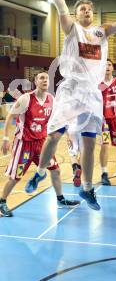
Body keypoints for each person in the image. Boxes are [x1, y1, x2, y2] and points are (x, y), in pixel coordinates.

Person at [25, 0, 116, 211]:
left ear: (94, 13)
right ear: (76, 14)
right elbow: (58, 2)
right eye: (82, 9)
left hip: (92, 93)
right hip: (70, 90)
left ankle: (88, 188)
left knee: (91, 143)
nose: (86, 12)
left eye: (89, 9)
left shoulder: (102, 32)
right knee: (54, 135)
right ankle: (40, 172)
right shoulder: (71, 29)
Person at [0, 72, 79, 217]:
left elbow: (59, 118)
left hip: (42, 143)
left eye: (46, 78)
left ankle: (60, 199)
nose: (45, 80)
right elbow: (10, 116)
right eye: (41, 78)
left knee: (55, 170)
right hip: (24, 144)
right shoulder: (26, 99)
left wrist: (68, 134)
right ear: (35, 81)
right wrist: (5, 138)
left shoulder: (51, 99)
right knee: (15, 176)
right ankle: (2, 202)